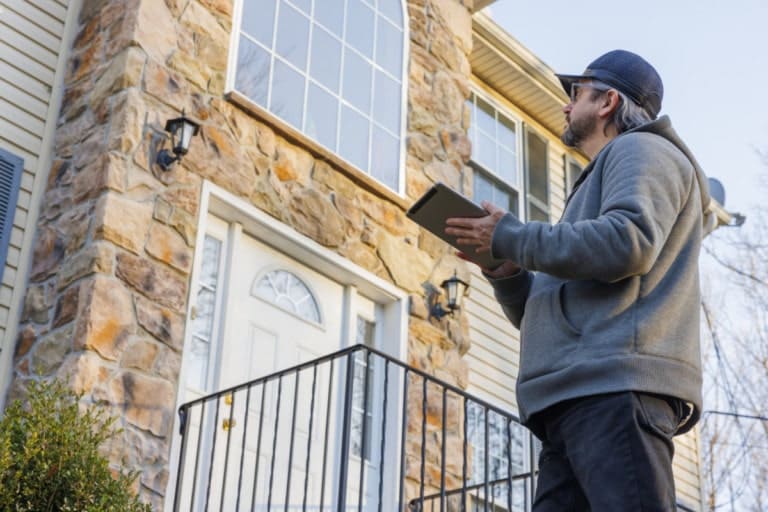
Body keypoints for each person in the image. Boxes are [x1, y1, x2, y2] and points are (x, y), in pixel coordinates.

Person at [445, 50, 712, 511]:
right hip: (573, 402)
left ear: (608, 101)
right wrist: (507, 271)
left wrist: (511, 235)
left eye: (576, 94)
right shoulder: (594, 184)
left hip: (615, 392)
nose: (566, 107)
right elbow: (549, 310)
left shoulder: (642, 148)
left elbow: (627, 242)